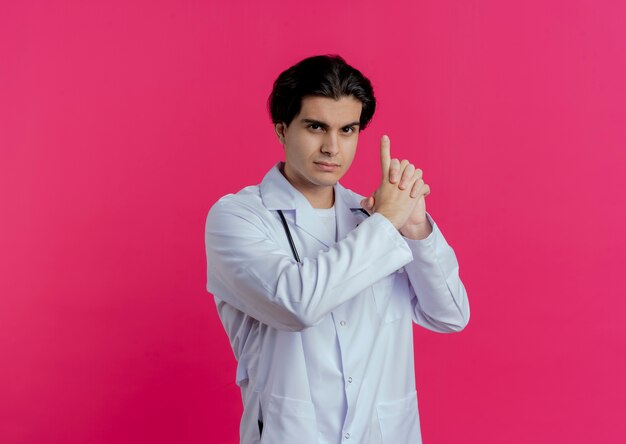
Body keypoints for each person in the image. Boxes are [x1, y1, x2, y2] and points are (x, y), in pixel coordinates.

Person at [205, 55, 470, 444]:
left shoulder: (371, 217)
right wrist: (385, 225)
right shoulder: (238, 217)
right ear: (282, 129)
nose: (332, 147)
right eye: (316, 127)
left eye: (347, 130)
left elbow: (450, 315)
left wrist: (414, 228)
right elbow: (297, 305)